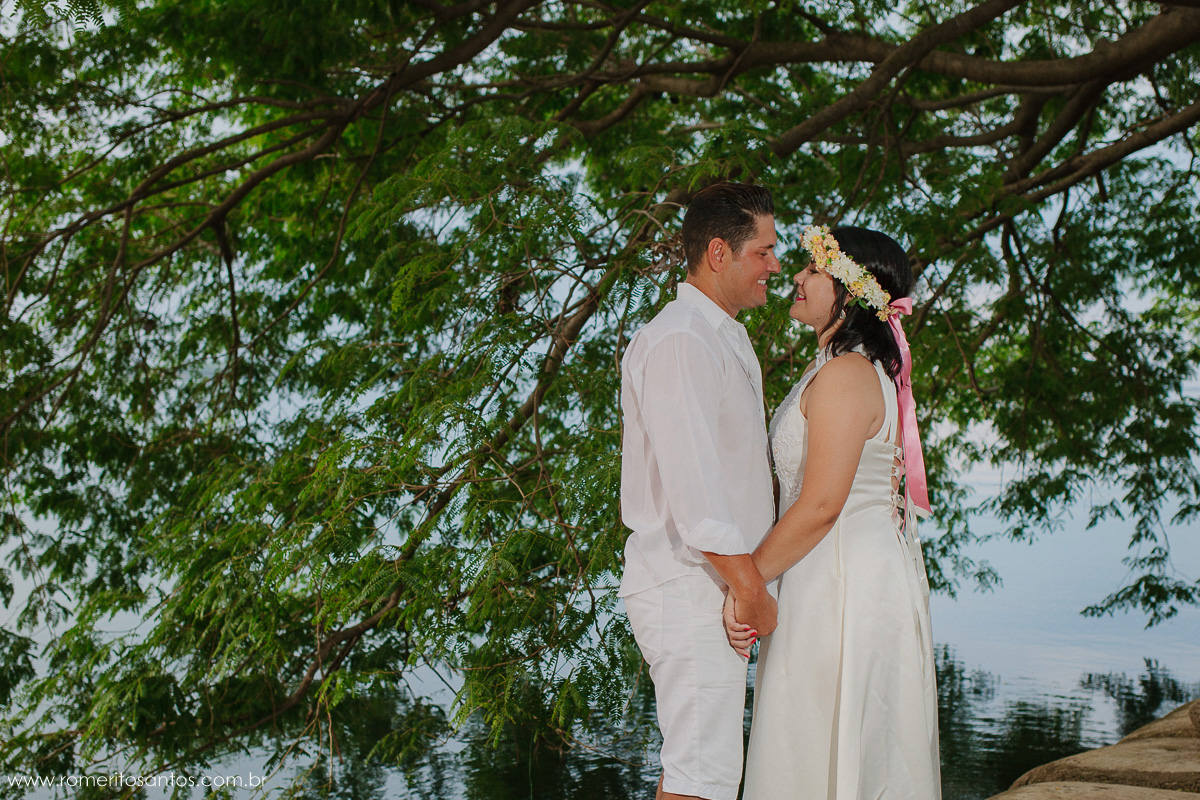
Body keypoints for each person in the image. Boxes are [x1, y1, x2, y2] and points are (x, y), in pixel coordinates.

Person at [726, 225, 941, 799]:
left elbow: (822, 504)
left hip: (841, 582)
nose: (796, 276)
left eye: (814, 269)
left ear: (850, 291)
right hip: (829, 573)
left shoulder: (847, 374)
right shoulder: (844, 367)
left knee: (822, 741)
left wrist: (746, 583)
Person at [619, 182, 781, 800]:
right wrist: (752, 592)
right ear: (718, 253)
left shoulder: (722, 333)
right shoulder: (682, 339)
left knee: (699, 768)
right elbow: (696, 495)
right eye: (763, 251)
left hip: (712, 582)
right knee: (702, 776)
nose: (775, 266)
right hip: (689, 584)